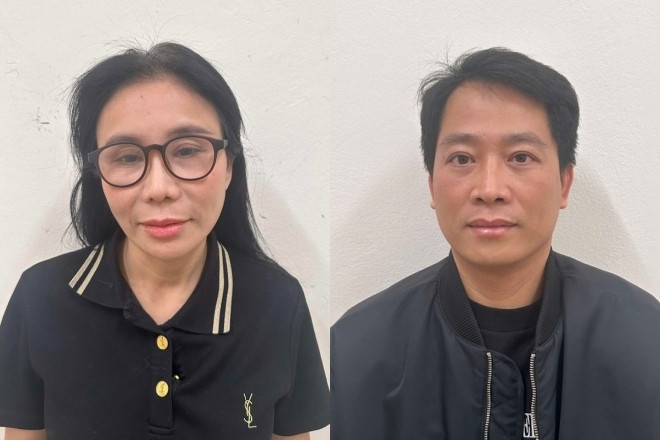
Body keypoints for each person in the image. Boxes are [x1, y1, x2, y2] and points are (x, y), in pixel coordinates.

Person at [0, 42, 329, 440]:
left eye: (187, 150)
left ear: (229, 166)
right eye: (126, 157)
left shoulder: (278, 304)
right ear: (97, 174)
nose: (159, 188)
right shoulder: (40, 298)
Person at [331, 48, 660, 439]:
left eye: (520, 157)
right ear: (432, 185)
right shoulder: (355, 352)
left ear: (564, 183)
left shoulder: (645, 338)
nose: (489, 189)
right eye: (462, 159)